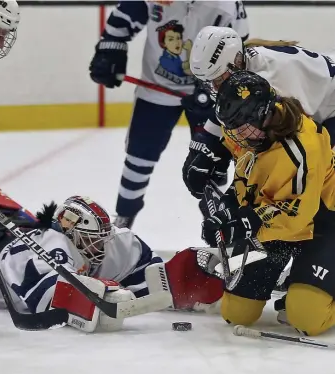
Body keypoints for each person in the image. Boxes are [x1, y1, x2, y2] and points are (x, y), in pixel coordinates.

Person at [89, 1, 249, 229]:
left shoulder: (225, 4)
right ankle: (123, 221)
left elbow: (239, 47)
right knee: (138, 159)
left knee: (210, 163)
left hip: (206, 94)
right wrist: (110, 50)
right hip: (155, 90)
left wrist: (214, 85)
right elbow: (123, 19)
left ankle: (219, 225)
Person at [200, 70, 335, 336]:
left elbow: (296, 217)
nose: (234, 134)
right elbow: (247, 178)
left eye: (240, 126)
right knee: (237, 312)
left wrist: (243, 224)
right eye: (231, 126)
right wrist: (227, 208)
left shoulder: (301, 149)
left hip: (324, 221)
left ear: (262, 114)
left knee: (307, 316)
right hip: (278, 222)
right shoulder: (253, 131)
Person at [0, 190, 224, 332]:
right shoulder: (47, 246)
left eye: (102, 240)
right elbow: (48, 301)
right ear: (71, 233)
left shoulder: (108, 242)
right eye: (92, 241)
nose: (101, 248)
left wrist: (178, 283)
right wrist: (99, 296)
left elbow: (148, 274)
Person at [182, 26, 335, 202]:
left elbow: (290, 143)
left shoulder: (273, 79)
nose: (214, 88)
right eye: (208, 83)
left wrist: (220, 152)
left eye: (217, 80)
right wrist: (203, 145)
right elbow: (228, 110)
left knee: (318, 186)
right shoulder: (243, 71)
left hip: (330, 110)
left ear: (237, 62)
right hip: (320, 105)